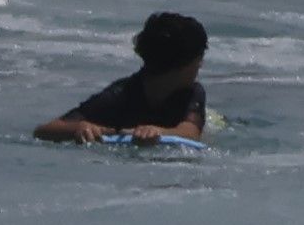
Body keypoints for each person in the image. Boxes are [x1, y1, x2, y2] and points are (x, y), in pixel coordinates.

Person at [36, 11, 214, 143]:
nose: (200, 65)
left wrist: (159, 132)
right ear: (181, 66)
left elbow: (190, 132)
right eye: (199, 60)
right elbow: (44, 130)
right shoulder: (121, 94)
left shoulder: (192, 92)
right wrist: (81, 127)